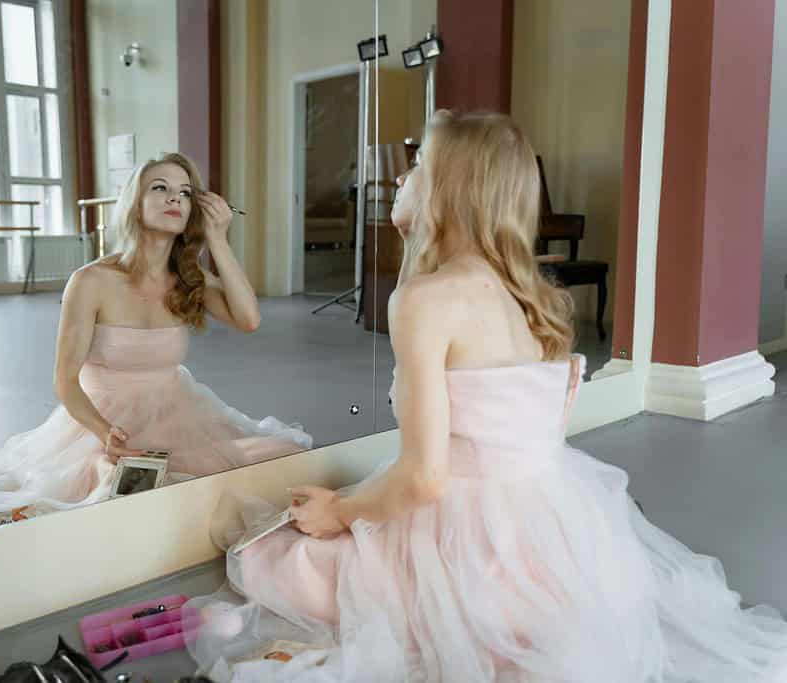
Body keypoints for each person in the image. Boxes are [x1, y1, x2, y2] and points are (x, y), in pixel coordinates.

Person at [187, 112, 787, 682]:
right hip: (549, 533)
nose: (401, 174)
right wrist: (410, 236)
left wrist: (340, 513)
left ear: (449, 190)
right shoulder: (531, 297)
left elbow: (424, 480)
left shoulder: (427, 301)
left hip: (463, 533)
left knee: (275, 559)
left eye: (418, 164)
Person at [0, 153, 312, 540]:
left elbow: (249, 319)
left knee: (283, 455)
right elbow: (65, 380)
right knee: (108, 498)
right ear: (133, 201)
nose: (175, 199)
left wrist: (218, 240)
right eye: (160, 187)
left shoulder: (188, 279)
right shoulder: (91, 281)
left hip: (178, 412)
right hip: (104, 423)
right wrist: (102, 433)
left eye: (184, 192)